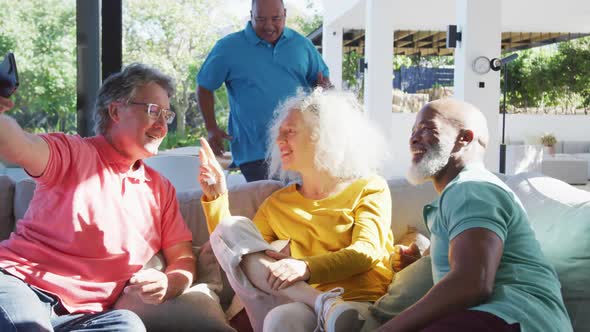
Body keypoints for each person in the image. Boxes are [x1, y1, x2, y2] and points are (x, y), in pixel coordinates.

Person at [0, 63, 196, 331]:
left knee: (128, 325)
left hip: (84, 315)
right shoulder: (72, 153)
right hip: (19, 284)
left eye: (167, 115)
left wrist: (168, 283)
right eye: (153, 111)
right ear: (116, 110)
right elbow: (19, 146)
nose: (163, 126)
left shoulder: (161, 190)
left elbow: (183, 259)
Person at [198, 88, 394, 332]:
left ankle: (330, 306)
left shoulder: (369, 186)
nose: (279, 141)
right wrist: (217, 194)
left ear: (325, 135)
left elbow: (367, 252)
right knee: (278, 318)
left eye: (289, 132)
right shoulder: (278, 203)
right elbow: (232, 251)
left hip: (361, 304)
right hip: (306, 304)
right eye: (278, 134)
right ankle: (323, 303)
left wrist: (306, 267)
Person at [379, 99, 572, 332]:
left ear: (465, 138)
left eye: (427, 129)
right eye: (413, 131)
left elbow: (472, 283)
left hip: (512, 317)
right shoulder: (459, 194)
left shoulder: (471, 189)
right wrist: (421, 264)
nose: (413, 138)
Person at [196, 0, 331, 182]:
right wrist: (211, 128)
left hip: (300, 147)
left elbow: (322, 85)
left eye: (276, 18)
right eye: (260, 19)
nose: (269, 26)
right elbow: (204, 87)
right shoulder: (228, 48)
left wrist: (323, 92)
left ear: (285, 14)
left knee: (302, 206)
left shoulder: (302, 45)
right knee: (270, 205)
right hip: (255, 152)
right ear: (251, 15)